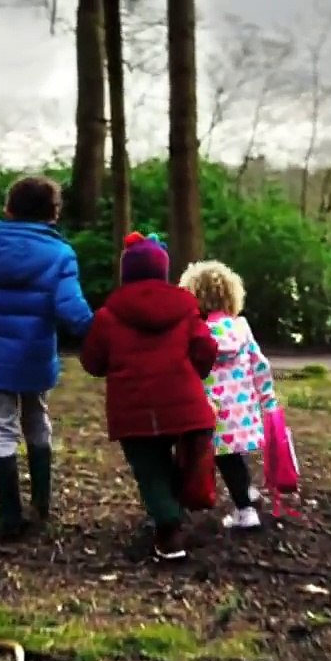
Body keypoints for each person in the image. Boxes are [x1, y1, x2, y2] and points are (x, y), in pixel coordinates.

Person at [0, 175, 94, 539]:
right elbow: (73, 312)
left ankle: (8, 516)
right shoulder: (59, 253)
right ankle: (41, 505)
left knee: (2, 428)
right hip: (36, 356)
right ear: (52, 213)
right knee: (37, 420)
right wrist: (101, 329)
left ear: (9, 208)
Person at [80, 233, 219, 560]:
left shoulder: (109, 315)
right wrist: (195, 373)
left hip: (134, 409)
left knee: (149, 467)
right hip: (184, 405)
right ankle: (175, 512)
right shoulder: (186, 309)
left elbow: (92, 361)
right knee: (180, 457)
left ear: (126, 272)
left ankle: (169, 529)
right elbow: (206, 348)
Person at [178, 259, 276, 530]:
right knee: (233, 455)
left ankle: (245, 510)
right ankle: (247, 494)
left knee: (224, 459)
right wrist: (267, 399)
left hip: (209, 409)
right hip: (241, 411)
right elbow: (260, 365)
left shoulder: (196, 333)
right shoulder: (241, 327)